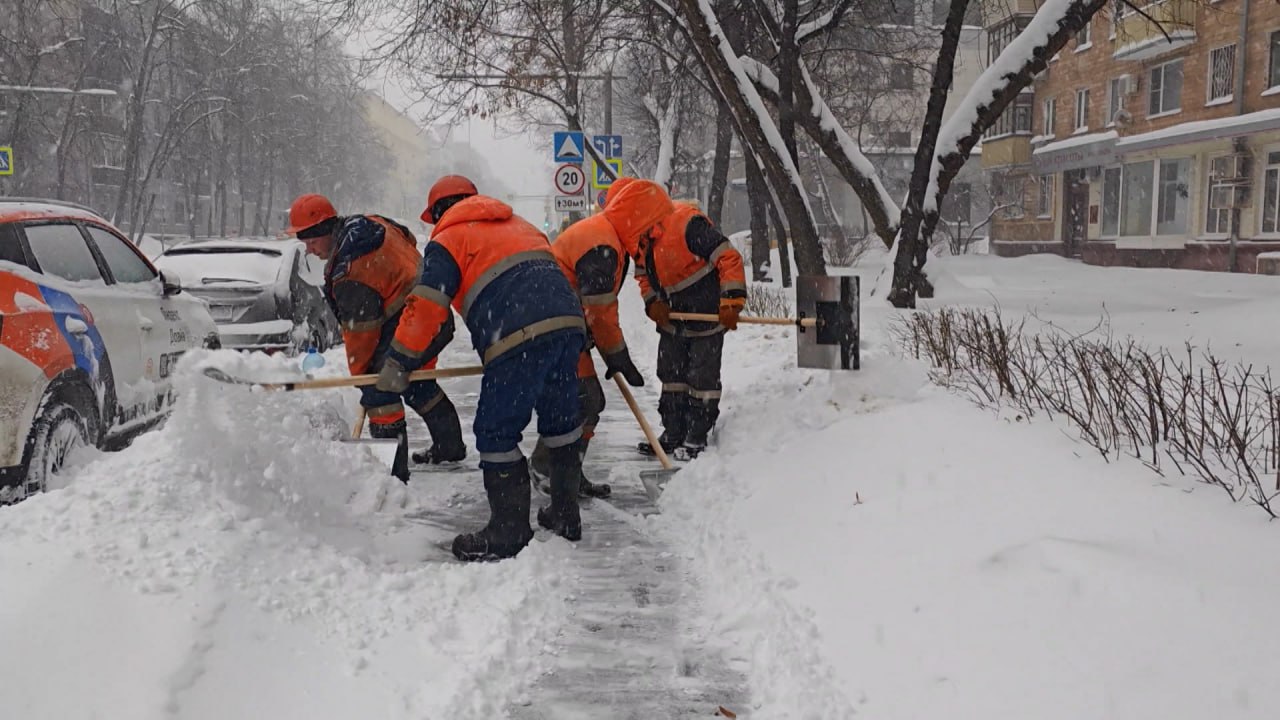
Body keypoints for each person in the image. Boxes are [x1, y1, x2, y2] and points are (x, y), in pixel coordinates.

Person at [378, 175, 587, 561]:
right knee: (561, 420)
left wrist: (400, 360)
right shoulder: (521, 225)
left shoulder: (449, 238)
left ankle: (508, 531)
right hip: (568, 323)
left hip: (515, 331)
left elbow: (426, 304)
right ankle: (565, 513)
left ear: (439, 211)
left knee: (496, 430)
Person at [284, 193, 466, 482]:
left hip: (416, 321)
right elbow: (409, 238)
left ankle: (392, 474)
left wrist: (362, 377)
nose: (309, 250)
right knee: (416, 381)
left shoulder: (351, 271)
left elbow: (361, 335)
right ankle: (450, 446)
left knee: (379, 387)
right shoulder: (373, 223)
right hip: (434, 314)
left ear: (325, 231)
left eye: (311, 242)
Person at [605, 180, 747, 460]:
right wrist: (652, 303)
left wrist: (731, 302)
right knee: (671, 376)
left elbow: (728, 257)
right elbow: (643, 277)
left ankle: (697, 434)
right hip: (673, 319)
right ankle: (673, 431)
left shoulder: (687, 223)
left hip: (706, 316)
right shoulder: (641, 239)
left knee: (701, 378)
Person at [528, 189, 648, 499]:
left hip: (561, 323)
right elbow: (600, 310)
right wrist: (617, 355)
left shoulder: (606, 235)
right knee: (582, 398)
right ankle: (546, 468)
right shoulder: (602, 244)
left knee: (587, 400)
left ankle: (568, 472)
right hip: (551, 323)